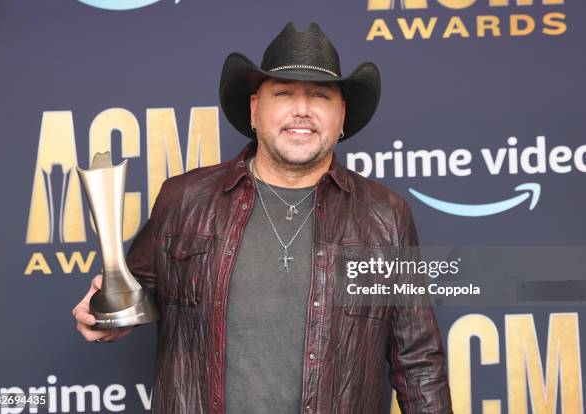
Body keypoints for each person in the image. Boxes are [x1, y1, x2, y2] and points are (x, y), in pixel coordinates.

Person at [73, 21, 453, 414]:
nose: (301, 110)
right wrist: (103, 313)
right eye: (284, 93)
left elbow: (417, 359)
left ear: (341, 115)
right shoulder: (184, 199)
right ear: (255, 109)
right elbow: (131, 297)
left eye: (320, 96)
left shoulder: (384, 214)